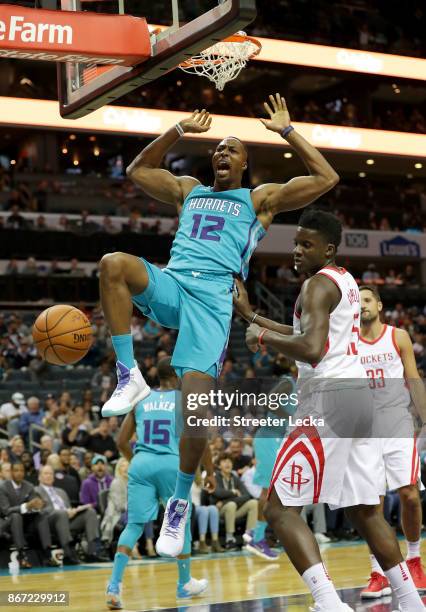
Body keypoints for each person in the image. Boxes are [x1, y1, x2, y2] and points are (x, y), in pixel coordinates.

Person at [99, 94, 339, 557]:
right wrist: (179, 131)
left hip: (212, 299)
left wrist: (287, 131)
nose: (223, 153)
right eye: (219, 149)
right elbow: (137, 172)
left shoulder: (259, 199)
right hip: (173, 282)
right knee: (113, 264)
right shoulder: (189, 189)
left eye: (232, 149)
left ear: (245, 163)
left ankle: (178, 505)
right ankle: (128, 374)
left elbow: (326, 178)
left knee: (195, 412)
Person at [234, 210, 425, 611]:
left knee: (278, 509)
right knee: (366, 510)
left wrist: (264, 336)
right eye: (295, 243)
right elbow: (312, 335)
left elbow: (312, 349)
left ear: (329, 249)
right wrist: (252, 315)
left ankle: (329, 603)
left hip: (328, 400)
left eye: (306, 245)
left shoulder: (316, 286)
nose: (297, 251)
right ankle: (410, 601)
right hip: (359, 400)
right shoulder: (346, 281)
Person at [106, 357, 213, 609]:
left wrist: (138, 461)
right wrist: (210, 472)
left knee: (133, 525)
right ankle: (184, 583)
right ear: (177, 377)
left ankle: (114, 586)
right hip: (171, 465)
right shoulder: (186, 401)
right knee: (179, 522)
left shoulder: (140, 399)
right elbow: (201, 439)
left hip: (142, 463)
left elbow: (121, 441)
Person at [358, 285, 426, 597]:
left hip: (397, 422)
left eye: (367, 299)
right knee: (372, 504)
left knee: (410, 495)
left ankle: (413, 559)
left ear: (380, 305)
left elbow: (413, 379)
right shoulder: (346, 343)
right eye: (357, 301)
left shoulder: (397, 336)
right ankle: (379, 570)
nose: (362, 304)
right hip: (363, 429)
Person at [36, 464, 107, 564]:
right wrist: (65, 512)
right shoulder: (36, 491)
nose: (49, 476)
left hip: (67, 520)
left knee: (90, 512)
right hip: (50, 522)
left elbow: (68, 508)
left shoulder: (61, 492)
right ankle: (68, 554)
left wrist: (74, 511)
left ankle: (92, 552)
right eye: (46, 473)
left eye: (51, 474)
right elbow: (42, 511)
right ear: (39, 477)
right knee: (61, 514)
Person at [0, 462, 58, 569]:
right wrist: (26, 506)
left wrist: (38, 505)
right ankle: (22, 556)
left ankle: (48, 554)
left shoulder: (29, 486)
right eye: (16, 470)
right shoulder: (3, 487)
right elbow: (5, 511)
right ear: (11, 472)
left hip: (26, 522)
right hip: (7, 523)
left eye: (22, 471)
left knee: (41, 516)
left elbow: (34, 504)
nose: (19, 473)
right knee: (16, 516)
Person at [210, 454, 258, 552]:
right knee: (231, 505)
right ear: (219, 466)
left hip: (230, 509)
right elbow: (217, 493)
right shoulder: (215, 477)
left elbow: (246, 495)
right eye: (224, 461)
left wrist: (224, 501)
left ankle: (248, 539)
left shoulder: (234, 478)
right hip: (219, 512)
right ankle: (229, 539)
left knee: (253, 503)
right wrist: (234, 492)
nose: (228, 463)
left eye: (229, 461)